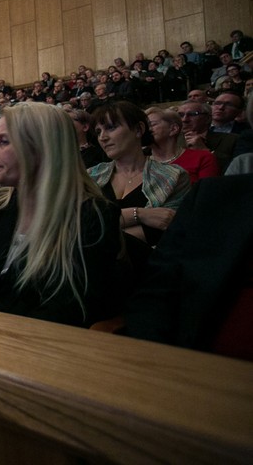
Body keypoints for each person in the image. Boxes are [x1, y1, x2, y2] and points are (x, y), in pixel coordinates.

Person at [0, 103, 122, 327]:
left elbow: (66, 310)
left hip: (36, 342)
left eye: (4, 141)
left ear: (43, 149)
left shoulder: (92, 217)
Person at [124, 174, 253, 361]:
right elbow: (153, 296)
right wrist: (157, 362)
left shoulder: (173, 176)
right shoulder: (214, 196)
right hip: (184, 362)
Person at [88, 102, 190, 246]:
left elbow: (164, 229)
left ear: (138, 129)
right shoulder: (91, 176)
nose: (102, 137)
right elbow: (75, 225)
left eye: (111, 127)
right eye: (98, 132)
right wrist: (139, 214)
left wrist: (97, 232)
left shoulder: (173, 176)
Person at [145, 107, 219, 184]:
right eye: (143, 127)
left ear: (173, 129)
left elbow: (207, 190)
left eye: (151, 124)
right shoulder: (141, 163)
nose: (145, 130)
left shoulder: (203, 158)